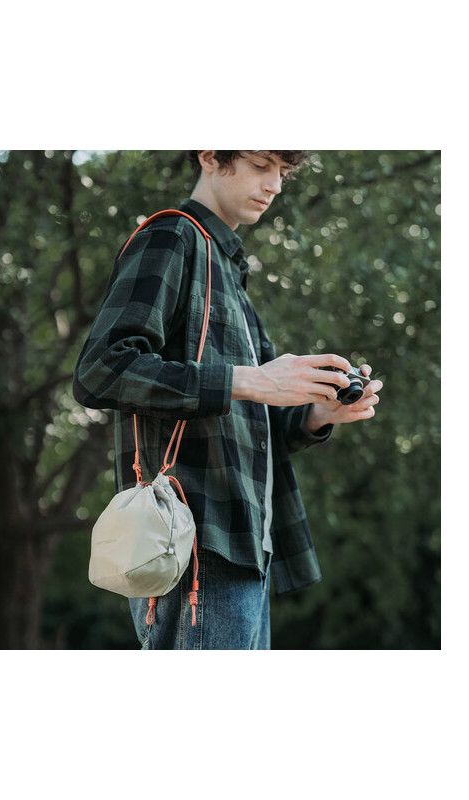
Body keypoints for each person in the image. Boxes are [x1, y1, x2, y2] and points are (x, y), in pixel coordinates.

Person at [73, 150, 383, 649]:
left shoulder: (229, 271)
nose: (275, 185)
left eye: (283, 172)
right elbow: (101, 370)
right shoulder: (170, 237)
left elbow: (255, 420)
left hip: (246, 549)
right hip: (190, 545)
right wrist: (246, 380)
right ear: (211, 156)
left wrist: (319, 412)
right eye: (262, 165)